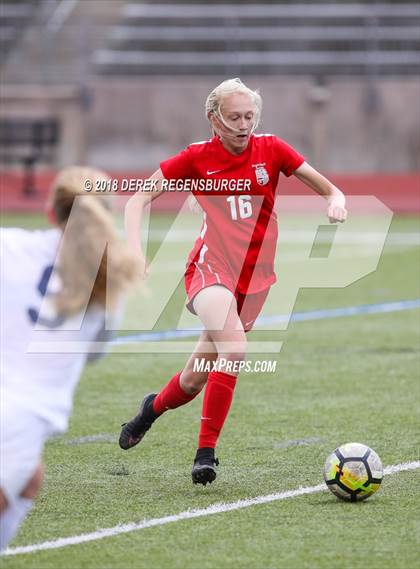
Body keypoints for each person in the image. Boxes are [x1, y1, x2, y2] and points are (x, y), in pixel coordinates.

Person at [120, 78, 347, 486]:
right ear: (214, 119)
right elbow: (137, 198)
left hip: (255, 279)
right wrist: (135, 251)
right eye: (234, 117)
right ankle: (205, 454)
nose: (244, 125)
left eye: (249, 116)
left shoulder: (272, 149)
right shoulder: (196, 158)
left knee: (193, 380)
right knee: (236, 348)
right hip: (211, 268)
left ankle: (150, 409)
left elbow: (329, 188)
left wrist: (335, 200)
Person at [0, 166, 138, 551]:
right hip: (18, 424)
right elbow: (94, 354)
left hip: (16, 428)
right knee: (26, 475)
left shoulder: (9, 245)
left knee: (31, 478)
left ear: (51, 212)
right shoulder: (107, 282)